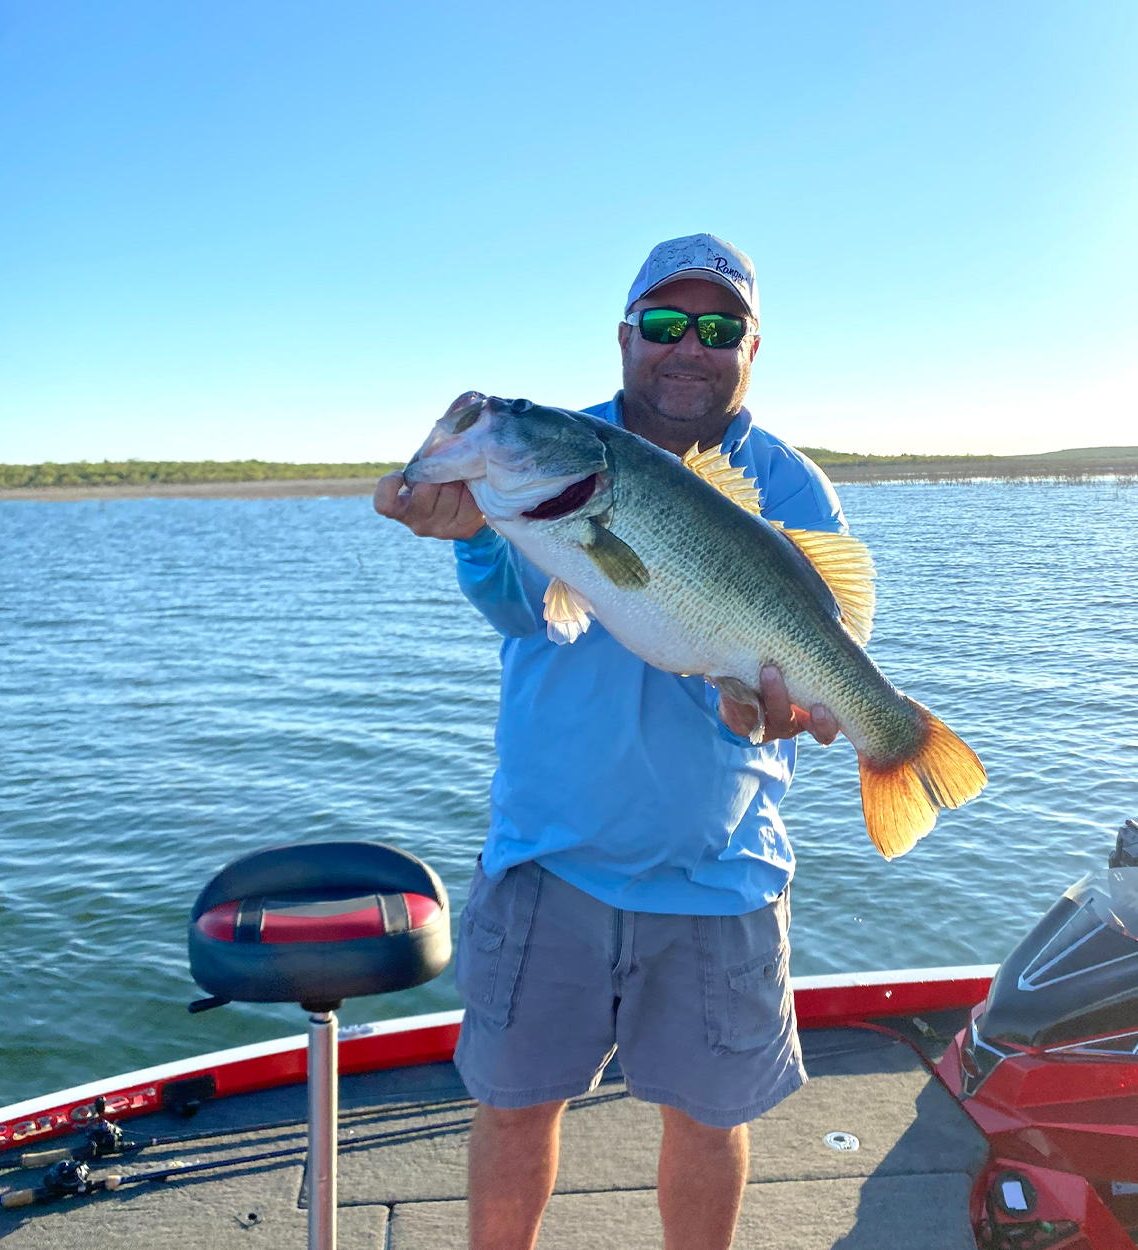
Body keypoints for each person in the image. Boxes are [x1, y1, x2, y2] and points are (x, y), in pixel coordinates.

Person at [374, 233, 847, 1250]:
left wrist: (776, 706)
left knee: (710, 1119)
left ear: (751, 347)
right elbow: (525, 611)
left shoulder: (789, 484)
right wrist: (469, 536)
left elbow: (810, 657)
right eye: (665, 322)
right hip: (550, 854)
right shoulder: (556, 453)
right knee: (511, 1105)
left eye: (717, 327)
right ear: (624, 335)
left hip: (720, 870)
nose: (690, 346)